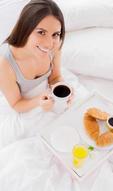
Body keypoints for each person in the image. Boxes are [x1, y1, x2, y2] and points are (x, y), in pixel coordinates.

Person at [0, 0, 72, 148]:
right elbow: (16, 104)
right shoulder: (5, 64)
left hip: (47, 99)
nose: (48, 43)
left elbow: (56, 76)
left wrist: (62, 92)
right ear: (26, 28)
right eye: (41, 32)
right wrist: (39, 102)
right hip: (25, 105)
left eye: (55, 34)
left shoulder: (54, 47)